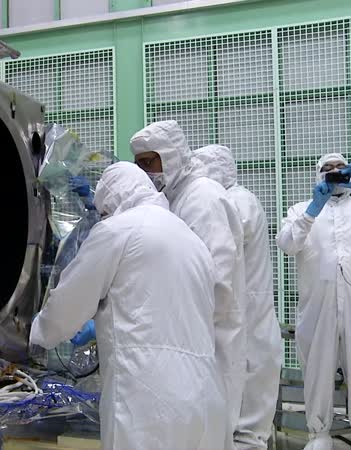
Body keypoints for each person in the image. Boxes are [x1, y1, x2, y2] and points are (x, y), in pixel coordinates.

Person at [30, 162, 227, 450]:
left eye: (103, 211)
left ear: (113, 200)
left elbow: (69, 303)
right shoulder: (191, 240)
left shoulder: (117, 230)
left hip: (148, 398)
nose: (103, 217)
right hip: (205, 395)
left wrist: (37, 331)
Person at [130, 120, 247, 448]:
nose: (145, 172)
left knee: (211, 432)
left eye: (149, 162)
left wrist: (183, 323)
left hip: (210, 336)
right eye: (139, 164)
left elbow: (216, 277)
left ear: (170, 155)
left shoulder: (202, 197)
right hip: (189, 336)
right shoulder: (175, 196)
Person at [276, 153, 351, 450]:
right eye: (328, 168)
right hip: (317, 308)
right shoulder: (301, 210)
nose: (335, 172)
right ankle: (319, 435)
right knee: (317, 371)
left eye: (340, 168)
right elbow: (286, 244)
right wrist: (313, 210)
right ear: (318, 175)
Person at [193, 144, 283, 449]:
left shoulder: (236, 202)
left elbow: (216, 250)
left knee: (247, 388)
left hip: (246, 310)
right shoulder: (231, 200)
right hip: (243, 309)